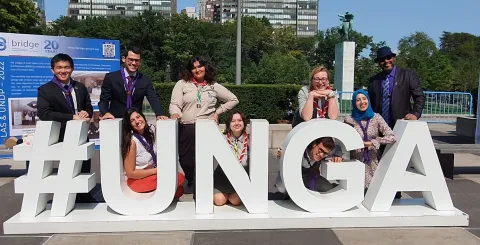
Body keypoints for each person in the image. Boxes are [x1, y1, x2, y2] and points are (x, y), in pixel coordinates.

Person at [169, 56, 239, 187]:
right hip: (187, 127)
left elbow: (233, 99)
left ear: (205, 67)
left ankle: (202, 183)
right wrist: (175, 113)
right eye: (194, 67)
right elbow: (175, 104)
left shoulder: (214, 86)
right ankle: (191, 178)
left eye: (200, 66)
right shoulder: (182, 84)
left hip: (207, 127)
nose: (197, 70)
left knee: (204, 159)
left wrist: (217, 112)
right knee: (185, 160)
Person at [37, 53, 94, 202]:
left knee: (83, 167)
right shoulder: (45, 90)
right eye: (59, 67)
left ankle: (84, 196)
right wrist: (71, 117)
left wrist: (86, 113)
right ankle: (64, 199)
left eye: (67, 67)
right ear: (52, 70)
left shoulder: (80, 87)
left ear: (72, 69)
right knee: (65, 170)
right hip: (60, 137)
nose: (63, 71)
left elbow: (88, 107)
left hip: (80, 136)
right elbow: (44, 113)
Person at [122, 108, 185, 198]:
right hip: (137, 180)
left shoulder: (150, 131)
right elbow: (130, 173)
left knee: (179, 190)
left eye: (138, 117)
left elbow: (160, 124)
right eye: (132, 120)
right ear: (129, 125)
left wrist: (162, 118)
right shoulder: (132, 142)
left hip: (151, 175)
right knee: (178, 178)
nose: (137, 121)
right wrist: (157, 171)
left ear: (143, 117)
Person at [344, 90, 396, 191]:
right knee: (357, 192)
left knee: (373, 192)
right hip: (356, 160)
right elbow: (342, 141)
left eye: (364, 99)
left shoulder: (376, 117)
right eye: (358, 100)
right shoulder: (349, 120)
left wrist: (373, 142)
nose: (362, 102)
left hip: (373, 161)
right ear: (354, 103)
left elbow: (391, 137)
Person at [99, 46, 168, 120]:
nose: (134, 63)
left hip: (136, 122)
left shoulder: (145, 80)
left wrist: (159, 114)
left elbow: (153, 98)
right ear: (123, 59)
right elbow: (104, 99)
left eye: (137, 60)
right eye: (130, 60)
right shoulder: (111, 77)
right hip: (116, 120)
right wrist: (105, 112)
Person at [291, 65, 343, 162]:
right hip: (303, 136)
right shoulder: (305, 91)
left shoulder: (331, 93)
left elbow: (333, 116)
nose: (320, 82)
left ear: (328, 81)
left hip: (322, 138)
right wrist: (311, 96)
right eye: (317, 79)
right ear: (311, 80)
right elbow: (306, 117)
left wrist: (331, 96)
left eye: (324, 79)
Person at [368, 46, 425, 129]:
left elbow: (419, 97)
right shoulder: (374, 80)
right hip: (379, 126)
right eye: (382, 60)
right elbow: (369, 103)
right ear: (379, 63)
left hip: (401, 124)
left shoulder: (408, 75)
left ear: (393, 58)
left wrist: (415, 114)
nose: (386, 61)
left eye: (388, 58)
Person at [275, 137, 339, 196]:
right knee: (281, 188)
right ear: (314, 144)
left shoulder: (327, 151)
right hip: (292, 176)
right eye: (320, 150)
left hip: (311, 177)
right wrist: (282, 155)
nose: (321, 155)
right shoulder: (300, 149)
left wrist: (338, 155)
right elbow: (282, 150)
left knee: (328, 188)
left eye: (325, 153)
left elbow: (337, 148)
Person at [213, 110, 249, 206]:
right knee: (219, 200)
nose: (236, 123)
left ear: (244, 123)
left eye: (239, 120)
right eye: (233, 121)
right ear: (229, 124)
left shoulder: (250, 141)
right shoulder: (222, 139)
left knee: (235, 201)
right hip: (222, 179)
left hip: (240, 180)